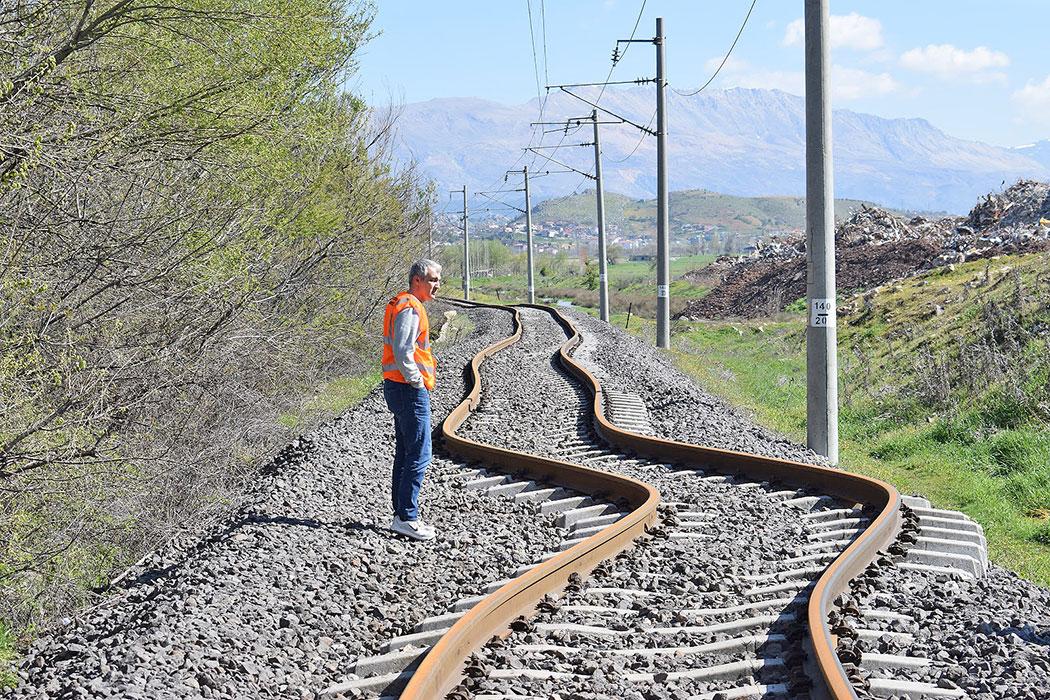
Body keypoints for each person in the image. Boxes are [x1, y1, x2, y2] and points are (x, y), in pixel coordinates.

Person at [381, 259, 442, 540]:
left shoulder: (405, 303)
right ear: (417, 280)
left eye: (438, 279)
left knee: (406, 452)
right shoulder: (410, 306)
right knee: (419, 452)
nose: (437, 285)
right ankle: (407, 516)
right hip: (408, 388)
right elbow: (403, 348)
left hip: (399, 387)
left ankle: (401, 515)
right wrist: (417, 380)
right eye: (432, 280)